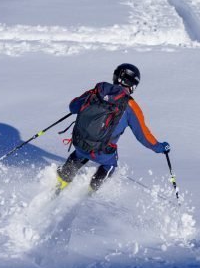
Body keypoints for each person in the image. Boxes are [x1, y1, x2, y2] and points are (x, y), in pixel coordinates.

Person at [56, 63, 170, 193]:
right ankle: (90, 192)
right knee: (110, 164)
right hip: (102, 152)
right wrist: (161, 147)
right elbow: (143, 136)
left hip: (79, 142)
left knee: (80, 154)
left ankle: (61, 181)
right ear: (133, 85)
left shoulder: (97, 90)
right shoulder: (130, 105)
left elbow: (73, 107)